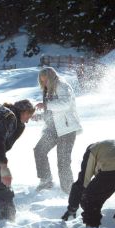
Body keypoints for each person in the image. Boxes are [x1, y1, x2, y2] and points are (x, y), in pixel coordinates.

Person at [61, 140, 115, 227]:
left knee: (90, 197)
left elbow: (82, 182)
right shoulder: (108, 148)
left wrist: (72, 207)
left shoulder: (91, 150)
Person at [33, 66, 82, 194]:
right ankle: (46, 181)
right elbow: (51, 113)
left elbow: (66, 103)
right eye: (41, 81)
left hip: (66, 129)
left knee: (63, 162)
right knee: (39, 150)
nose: (43, 83)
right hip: (53, 129)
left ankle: (69, 191)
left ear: (51, 77)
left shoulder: (62, 85)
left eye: (45, 80)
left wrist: (46, 105)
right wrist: (39, 116)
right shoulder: (48, 90)